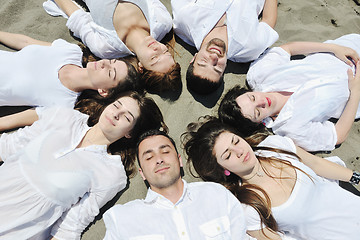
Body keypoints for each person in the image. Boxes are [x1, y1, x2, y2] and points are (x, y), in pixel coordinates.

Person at [0, 91, 167, 239]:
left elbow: (69, 228)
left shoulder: (111, 173)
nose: (117, 113)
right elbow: (7, 146)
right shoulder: (65, 118)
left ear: (129, 132)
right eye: (116, 105)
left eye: (126, 116)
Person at [183, 117, 360, 239]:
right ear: (224, 170)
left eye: (236, 141)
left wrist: (356, 177)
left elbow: (316, 164)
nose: (239, 151)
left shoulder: (273, 146)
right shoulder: (248, 207)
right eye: (228, 156)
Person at [218, 34, 360, 151]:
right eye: (257, 112)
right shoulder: (293, 128)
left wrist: (334, 48)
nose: (262, 102)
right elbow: (337, 135)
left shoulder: (260, 75)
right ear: (259, 122)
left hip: (349, 48)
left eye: (252, 97)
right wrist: (355, 91)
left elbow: (287, 49)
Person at [103, 129, 249, 239]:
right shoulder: (123, 218)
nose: (159, 159)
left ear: (179, 160)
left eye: (165, 151)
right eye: (149, 157)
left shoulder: (215, 194)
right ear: (142, 173)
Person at [43, 0, 181, 93]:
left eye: (154, 58)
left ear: (141, 66)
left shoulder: (105, 46)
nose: (157, 48)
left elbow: (76, 16)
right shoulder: (163, 22)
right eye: (165, 52)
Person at [0, 31, 139, 108]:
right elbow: (25, 42)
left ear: (104, 91)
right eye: (110, 61)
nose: (104, 64)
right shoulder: (71, 51)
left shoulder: (63, 104)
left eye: (110, 72)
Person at [172, 0, 278, 94]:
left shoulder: (184, 22)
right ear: (224, 70)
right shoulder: (251, 47)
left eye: (203, 62)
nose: (213, 57)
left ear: (194, 58)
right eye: (217, 68)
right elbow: (268, 21)